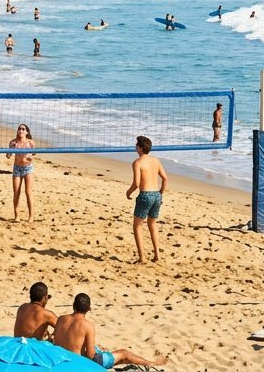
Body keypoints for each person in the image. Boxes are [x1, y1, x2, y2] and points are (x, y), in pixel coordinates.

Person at [53, 293, 165, 369]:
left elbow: (57, 342)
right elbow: (91, 355)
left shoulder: (61, 319)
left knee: (106, 353)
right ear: (89, 309)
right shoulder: (88, 325)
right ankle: (151, 364)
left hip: (59, 358)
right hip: (78, 362)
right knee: (124, 354)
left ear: (73, 306)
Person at [127, 135, 167, 263]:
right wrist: (161, 193)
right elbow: (165, 178)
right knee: (152, 224)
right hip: (156, 195)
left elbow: (136, 184)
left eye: (136, 146)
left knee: (137, 226)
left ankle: (142, 257)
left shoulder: (137, 163)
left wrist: (128, 192)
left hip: (145, 195)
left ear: (139, 148)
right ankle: (157, 255)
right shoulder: (155, 160)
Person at [9, 123, 36, 222]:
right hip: (17, 168)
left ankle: (31, 216)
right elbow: (8, 155)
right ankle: (17, 216)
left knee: (28, 192)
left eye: (23, 129)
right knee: (16, 192)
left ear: (27, 132)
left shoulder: (31, 143)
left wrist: (30, 157)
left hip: (28, 168)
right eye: (19, 129)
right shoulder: (13, 142)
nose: (21, 130)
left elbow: (34, 154)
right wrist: (9, 151)